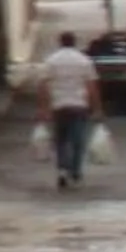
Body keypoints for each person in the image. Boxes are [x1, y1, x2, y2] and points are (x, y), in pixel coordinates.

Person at [42, 31, 102, 189]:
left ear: (60, 42)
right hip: (79, 106)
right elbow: (92, 87)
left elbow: (44, 86)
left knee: (61, 140)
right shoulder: (84, 61)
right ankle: (75, 170)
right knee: (78, 141)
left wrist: (44, 109)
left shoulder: (51, 61)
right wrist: (97, 108)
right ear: (74, 42)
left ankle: (62, 169)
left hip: (59, 106)